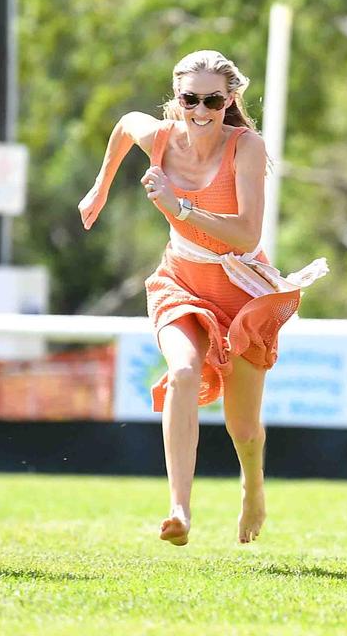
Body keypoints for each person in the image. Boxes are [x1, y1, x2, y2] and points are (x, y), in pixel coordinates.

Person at [78, 50, 326, 546]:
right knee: (183, 373)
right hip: (181, 282)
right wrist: (100, 189)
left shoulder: (246, 147)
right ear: (177, 98)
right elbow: (127, 123)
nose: (200, 110)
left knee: (244, 427)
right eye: (190, 98)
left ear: (230, 99)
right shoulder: (163, 137)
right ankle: (179, 508)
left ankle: (252, 488)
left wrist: (179, 206)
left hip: (240, 289)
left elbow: (245, 232)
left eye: (212, 99)